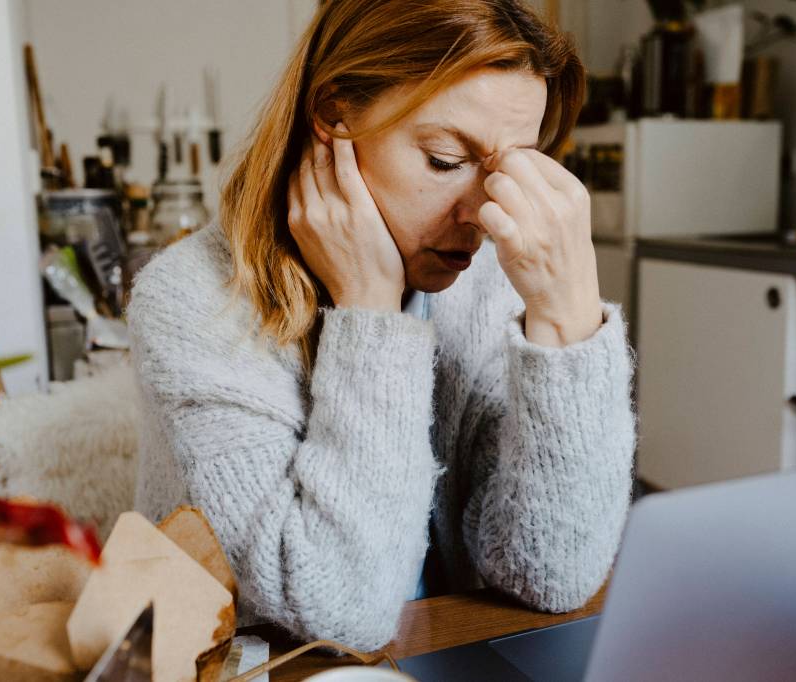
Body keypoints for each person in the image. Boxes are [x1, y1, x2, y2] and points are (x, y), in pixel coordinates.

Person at [127, 0, 636, 652]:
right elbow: (346, 612)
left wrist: (568, 321)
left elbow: (553, 573)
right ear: (335, 118)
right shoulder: (191, 301)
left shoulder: (485, 284)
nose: (483, 213)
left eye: (509, 170)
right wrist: (369, 309)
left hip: (441, 657)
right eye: (446, 159)